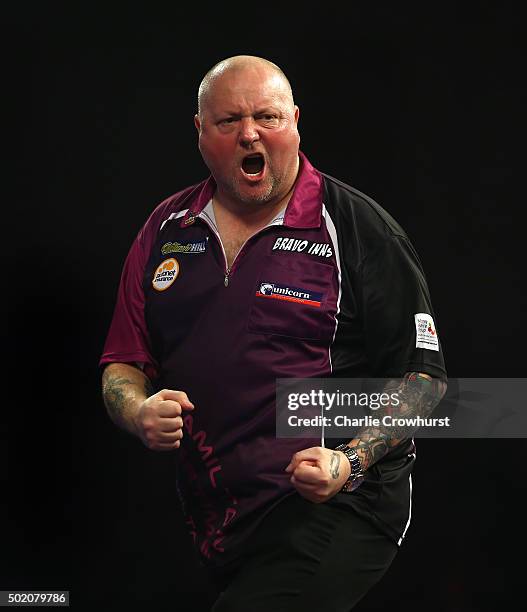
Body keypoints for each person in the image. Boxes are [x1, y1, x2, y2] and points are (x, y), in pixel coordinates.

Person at [100, 55, 447, 611]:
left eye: (268, 117)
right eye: (228, 121)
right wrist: (138, 411)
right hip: (223, 516)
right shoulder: (166, 229)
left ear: (295, 123)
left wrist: (349, 461)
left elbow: (425, 383)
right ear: (199, 131)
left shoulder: (358, 229)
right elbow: (123, 363)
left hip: (338, 504)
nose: (250, 134)